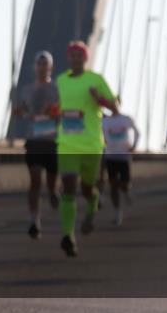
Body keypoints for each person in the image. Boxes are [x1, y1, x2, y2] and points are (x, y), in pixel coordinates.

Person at [54, 40, 119, 257]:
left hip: (91, 144)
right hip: (67, 144)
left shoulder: (96, 80)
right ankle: (68, 236)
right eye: (72, 55)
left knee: (87, 189)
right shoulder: (60, 81)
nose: (75, 59)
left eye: (79, 56)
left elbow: (115, 108)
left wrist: (99, 99)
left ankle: (92, 205)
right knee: (69, 186)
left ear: (86, 58)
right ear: (68, 58)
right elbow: (56, 108)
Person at [13, 50, 61, 239]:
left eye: (45, 64)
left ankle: (53, 192)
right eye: (39, 64)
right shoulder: (26, 90)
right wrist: (19, 112)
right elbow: (22, 110)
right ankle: (35, 221)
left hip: (51, 141)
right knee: (35, 181)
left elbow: (63, 111)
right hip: (33, 140)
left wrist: (54, 112)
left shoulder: (57, 89)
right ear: (35, 67)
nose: (42, 67)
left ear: (51, 67)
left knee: (49, 183)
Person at [101, 102, 140, 226]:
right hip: (110, 155)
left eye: (114, 104)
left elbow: (137, 132)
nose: (112, 106)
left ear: (119, 104)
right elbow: (99, 134)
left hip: (124, 156)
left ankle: (127, 191)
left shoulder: (126, 119)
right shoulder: (105, 121)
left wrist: (134, 146)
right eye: (110, 104)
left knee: (124, 184)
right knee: (113, 185)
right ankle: (117, 213)